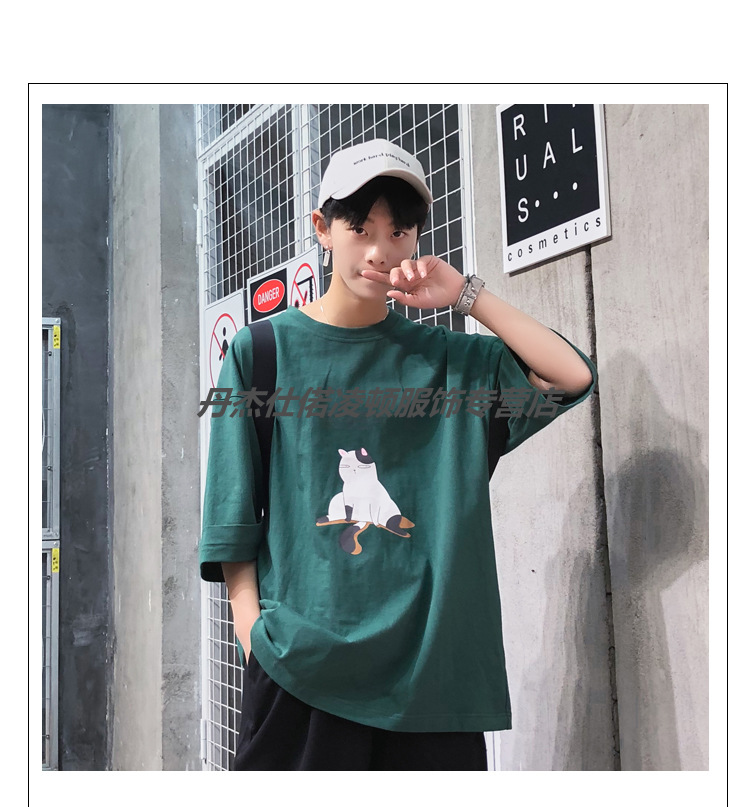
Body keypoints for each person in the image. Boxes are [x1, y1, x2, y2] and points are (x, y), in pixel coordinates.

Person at [199, 138, 597, 771]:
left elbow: (571, 375)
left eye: (399, 231)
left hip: (431, 685)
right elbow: (231, 518)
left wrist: (465, 295)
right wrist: (257, 640)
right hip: (302, 675)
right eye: (360, 228)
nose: (380, 251)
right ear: (322, 229)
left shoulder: (451, 364)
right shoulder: (262, 353)